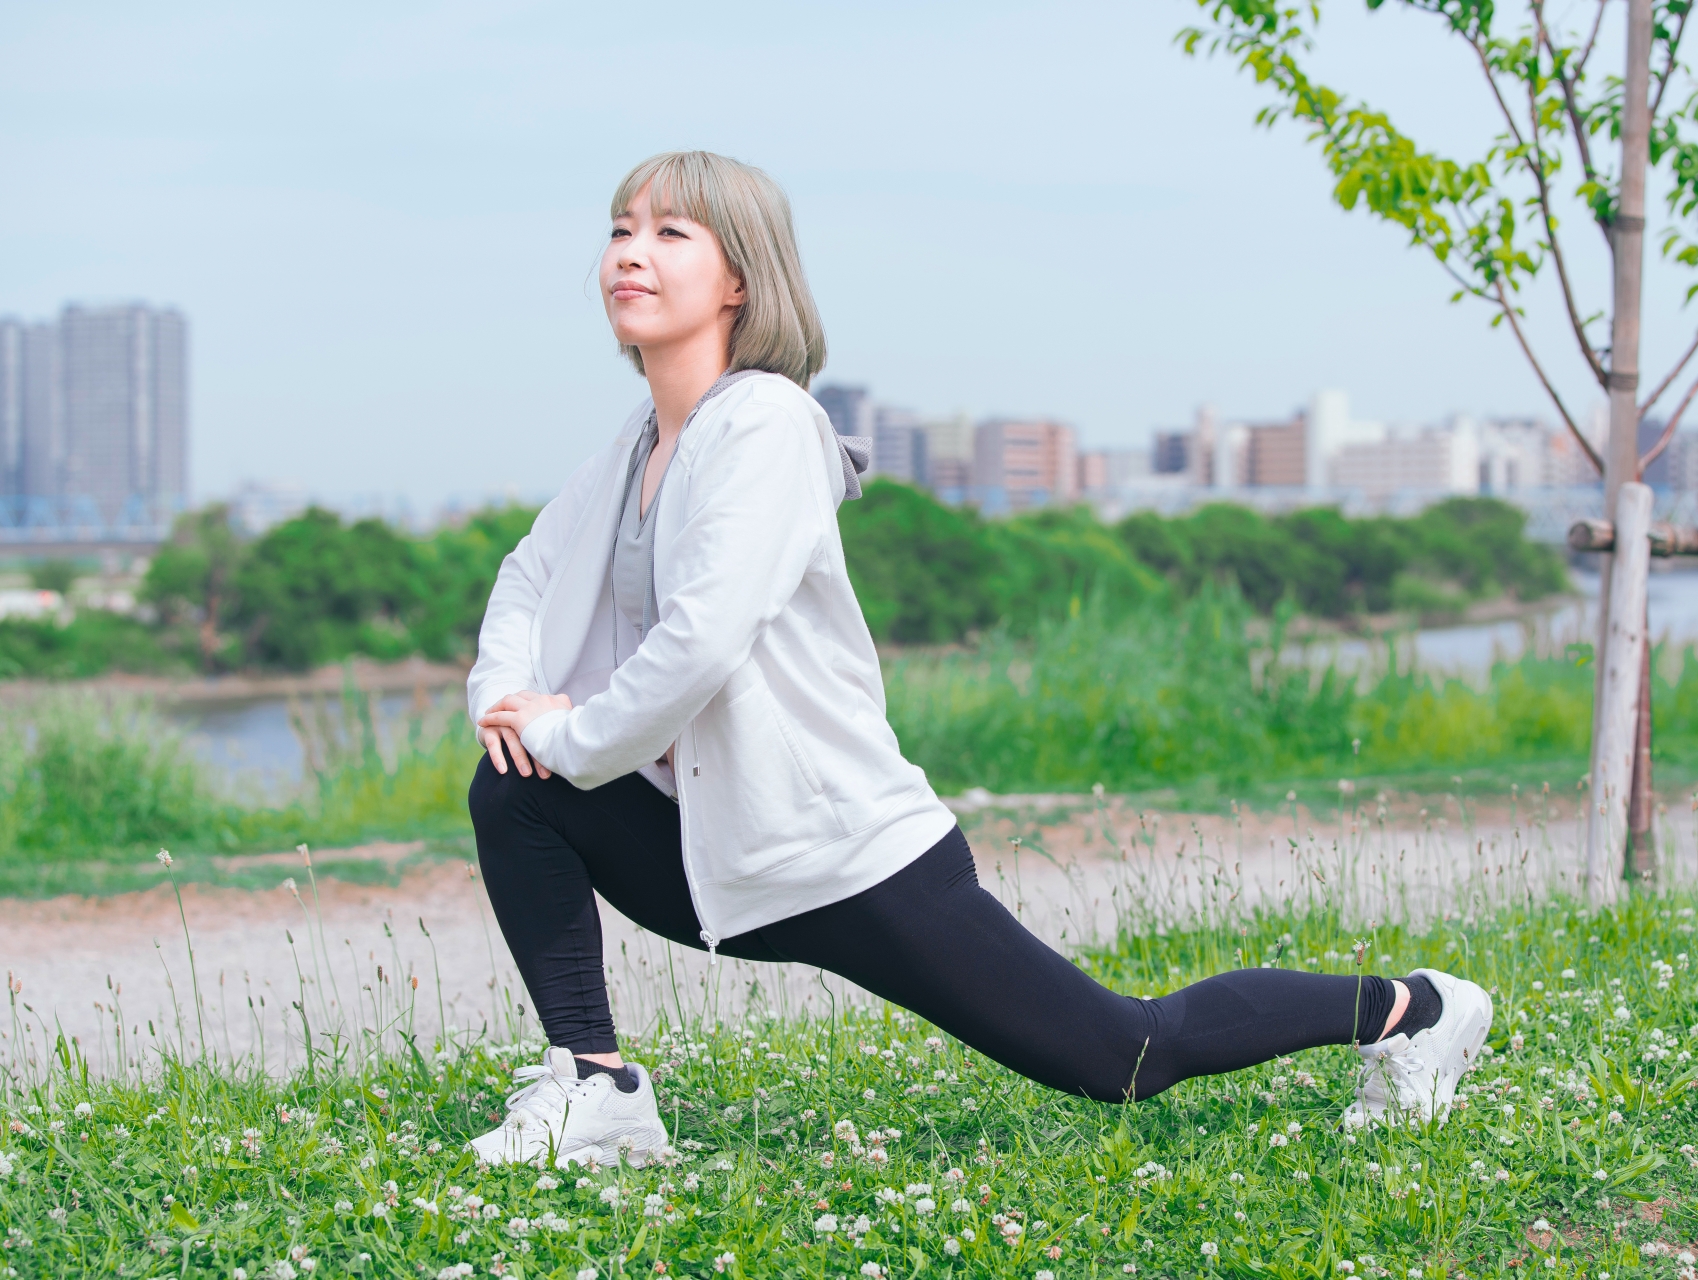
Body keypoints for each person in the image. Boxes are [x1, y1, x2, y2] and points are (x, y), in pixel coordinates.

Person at [463, 150, 1493, 1169]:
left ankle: (1414, 1009)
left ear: (739, 278)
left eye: (668, 232)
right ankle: (597, 1086)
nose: (630, 254)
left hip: (843, 851)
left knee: (1124, 1053)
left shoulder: (766, 425)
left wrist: (563, 728)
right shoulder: (639, 444)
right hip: (721, 850)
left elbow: (702, 637)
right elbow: (527, 574)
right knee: (518, 785)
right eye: (620, 230)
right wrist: (506, 704)